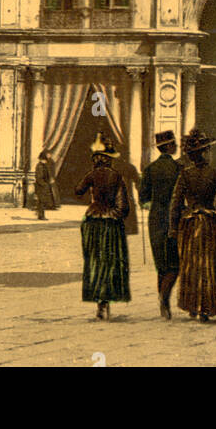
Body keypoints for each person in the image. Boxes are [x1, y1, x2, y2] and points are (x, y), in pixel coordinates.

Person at [168, 127, 216, 322]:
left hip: (191, 224)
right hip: (211, 223)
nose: (210, 153)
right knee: (210, 264)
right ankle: (208, 306)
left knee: (192, 264)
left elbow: (175, 204)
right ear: (203, 152)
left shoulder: (185, 175)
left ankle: (192, 304)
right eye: (208, 149)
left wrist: (173, 227)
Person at [75, 134, 130, 320]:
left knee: (94, 262)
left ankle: (99, 302)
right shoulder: (117, 177)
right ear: (109, 159)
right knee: (111, 263)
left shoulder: (91, 175)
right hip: (110, 223)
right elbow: (124, 207)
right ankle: (106, 302)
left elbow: (78, 191)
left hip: (92, 221)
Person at [139, 130, 182, 319]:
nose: (177, 147)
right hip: (174, 218)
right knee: (174, 264)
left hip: (155, 218)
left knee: (161, 264)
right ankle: (164, 299)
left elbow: (143, 199)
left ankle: (162, 300)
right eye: (175, 144)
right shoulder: (179, 169)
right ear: (169, 146)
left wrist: (152, 205)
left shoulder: (149, 169)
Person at [33, 150, 59, 221]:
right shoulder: (40, 166)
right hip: (41, 186)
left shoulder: (46, 165)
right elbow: (39, 177)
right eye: (48, 155)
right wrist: (44, 184)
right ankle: (41, 215)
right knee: (41, 201)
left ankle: (41, 214)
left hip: (44, 185)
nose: (49, 156)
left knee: (43, 201)